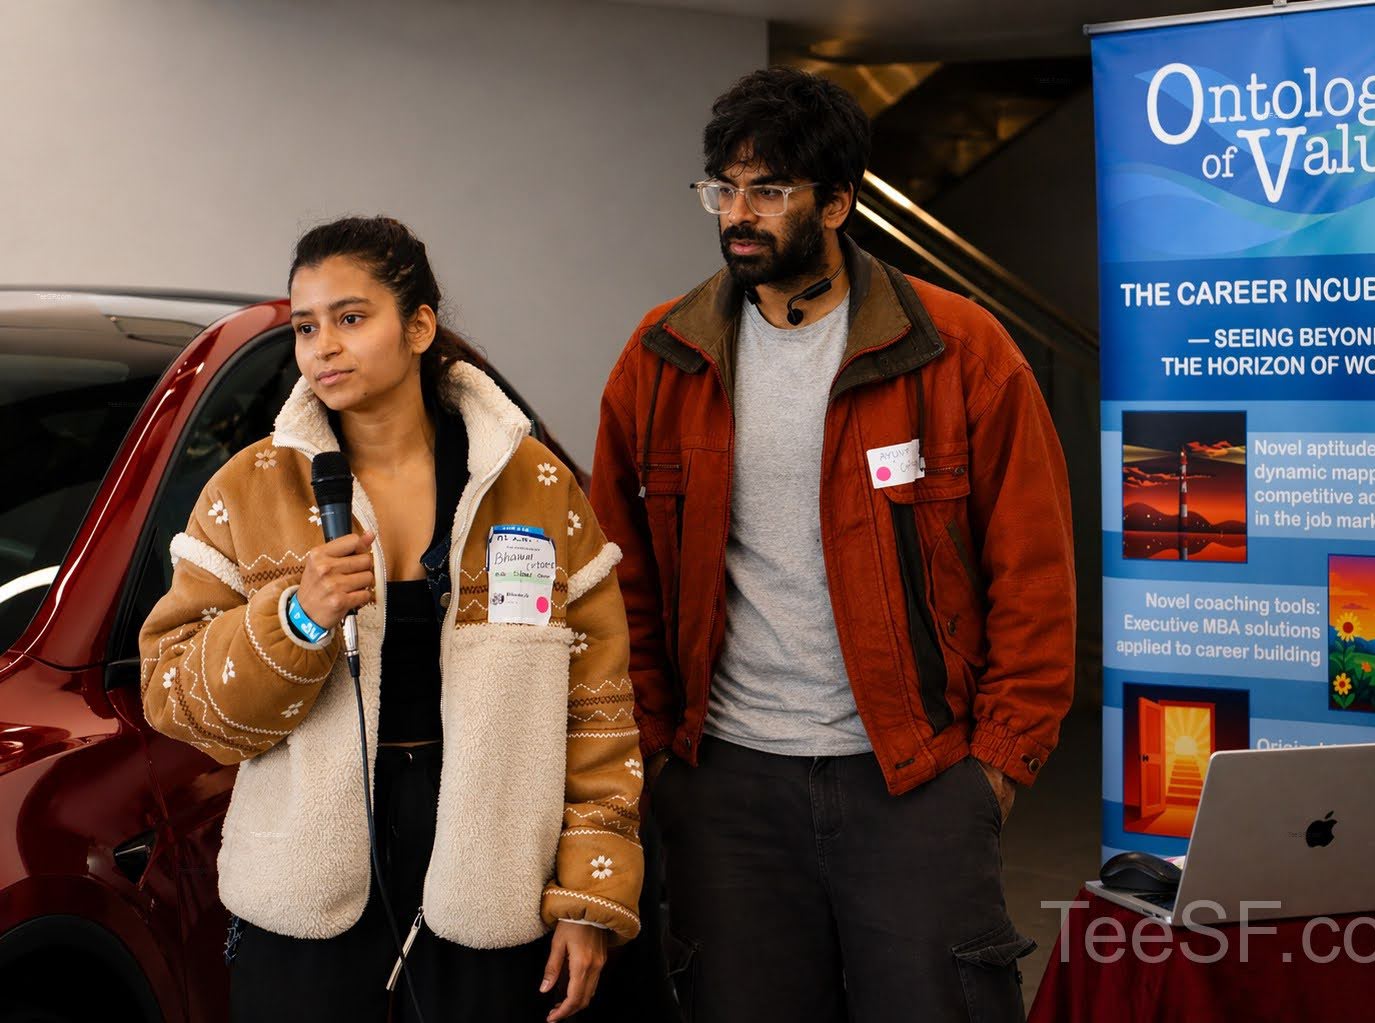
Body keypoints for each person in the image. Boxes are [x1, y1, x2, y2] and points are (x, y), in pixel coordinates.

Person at [590, 68, 1076, 1022]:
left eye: (767, 190)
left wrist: (994, 767)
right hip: (726, 783)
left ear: (838, 203)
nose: (736, 213)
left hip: (915, 777)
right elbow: (620, 582)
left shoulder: (959, 350)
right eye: (721, 188)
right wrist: (654, 755)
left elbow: (1033, 569)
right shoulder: (662, 356)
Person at [139, 216, 642, 1022]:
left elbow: (598, 704)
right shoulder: (249, 491)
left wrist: (588, 891)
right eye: (306, 327)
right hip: (307, 884)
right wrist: (295, 618)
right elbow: (176, 699)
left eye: (350, 317)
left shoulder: (533, 485)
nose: (323, 346)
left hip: (491, 871)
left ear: (418, 326)